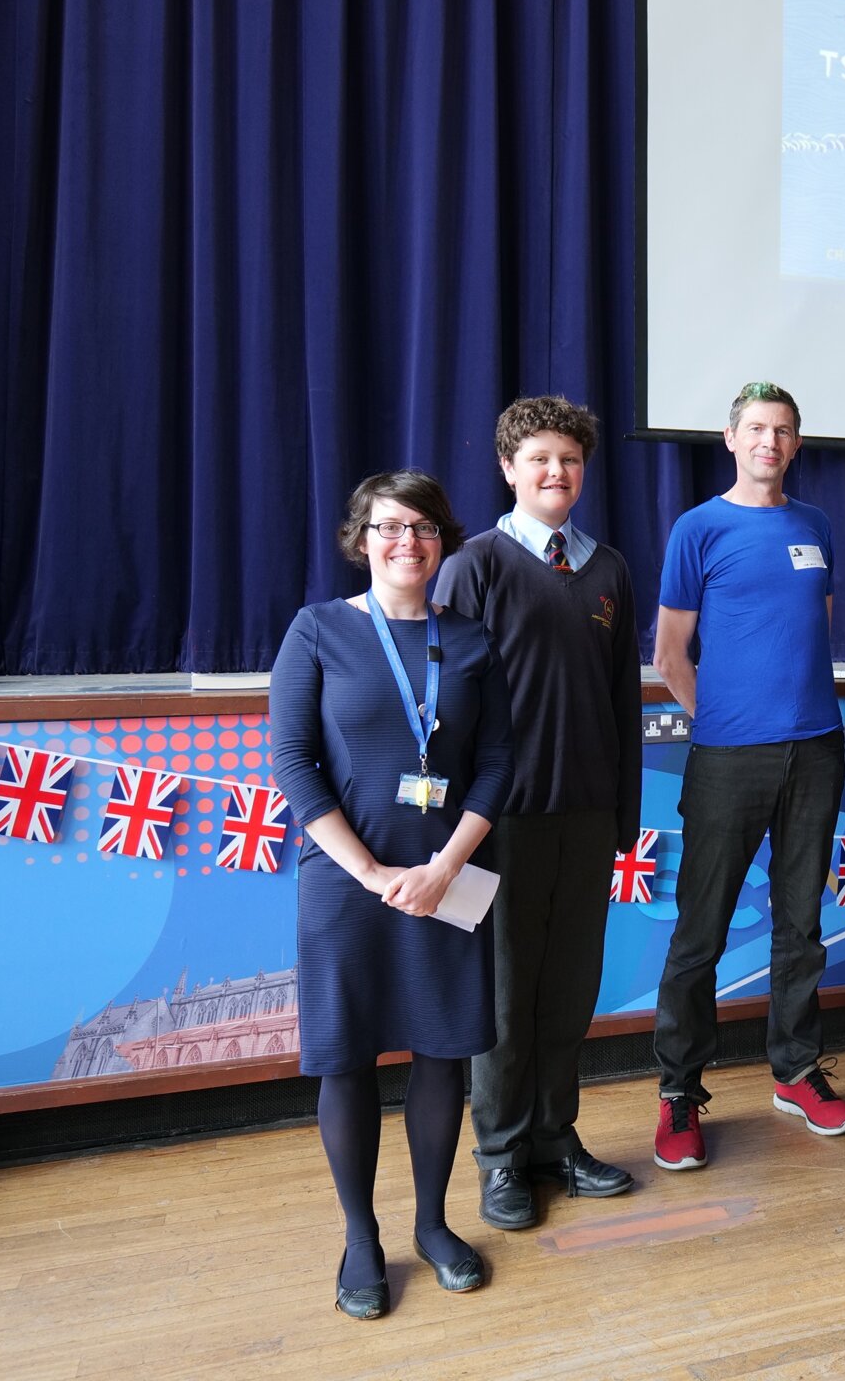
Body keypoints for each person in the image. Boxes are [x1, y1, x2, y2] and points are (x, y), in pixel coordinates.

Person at [270, 470, 513, 1319]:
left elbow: (496, 765)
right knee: (348, 1057)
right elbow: (292, 762)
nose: (405, 542)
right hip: (345, 885)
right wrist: (371, 873)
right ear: (361, 538)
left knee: (444, 1050)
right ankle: (361, 1238)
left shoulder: (474, 640)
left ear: (443, 540)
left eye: (422, 528)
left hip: (449, 878)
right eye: (387, 527)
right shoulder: (319, 630)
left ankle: (433, 1226)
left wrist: (444, 866)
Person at [434, 397, 642, 1231]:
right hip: (499, 825)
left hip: (588, 817)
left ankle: (558, 1138)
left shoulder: (608, 569)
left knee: (568, 992)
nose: (558, 472)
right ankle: (502, 1156)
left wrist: (624, 812)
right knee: (508, 995)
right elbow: (445, 709)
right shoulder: (475, 564)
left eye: (571, 460)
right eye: (541, 459)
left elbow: (623, 702)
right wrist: (454, 831)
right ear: (509, 469)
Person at [652, 381, 845, 1171]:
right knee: (699, 932)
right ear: (731, 439)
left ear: (796, 444)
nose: (769, 441)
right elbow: (672, 654)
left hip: (816, 750)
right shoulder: (698, 527)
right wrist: (725, 721)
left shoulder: (816, 525)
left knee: (800, 926)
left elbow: (812, 627)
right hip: (727, 759)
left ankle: (795, 1070)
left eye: (782, 430)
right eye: (755, 429)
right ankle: (679, 1093)